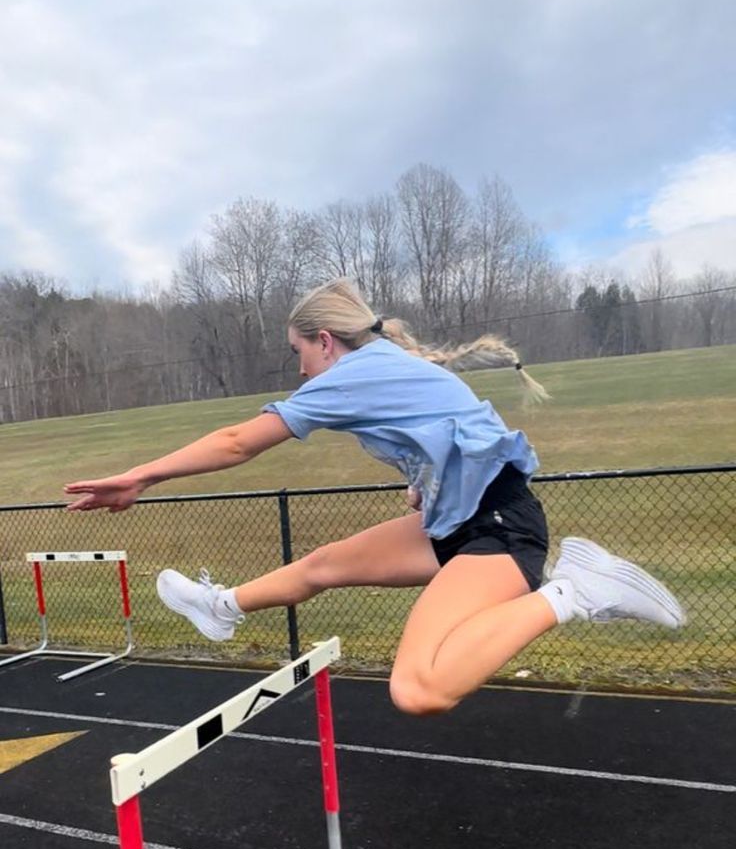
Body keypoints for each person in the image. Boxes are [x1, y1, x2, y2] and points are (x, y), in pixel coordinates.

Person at [64, 278, 685, 716]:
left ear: (326, 341)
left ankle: (572, 592)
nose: (300, 369)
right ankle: (222, 606)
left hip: (497, 528)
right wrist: (427, 485)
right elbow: (453, 429)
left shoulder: (355, 374)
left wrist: (140, 477)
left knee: (419, 690)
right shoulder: (384, 366)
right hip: (457, 523)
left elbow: (235, 443)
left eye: (299, 353)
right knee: (324, 564)